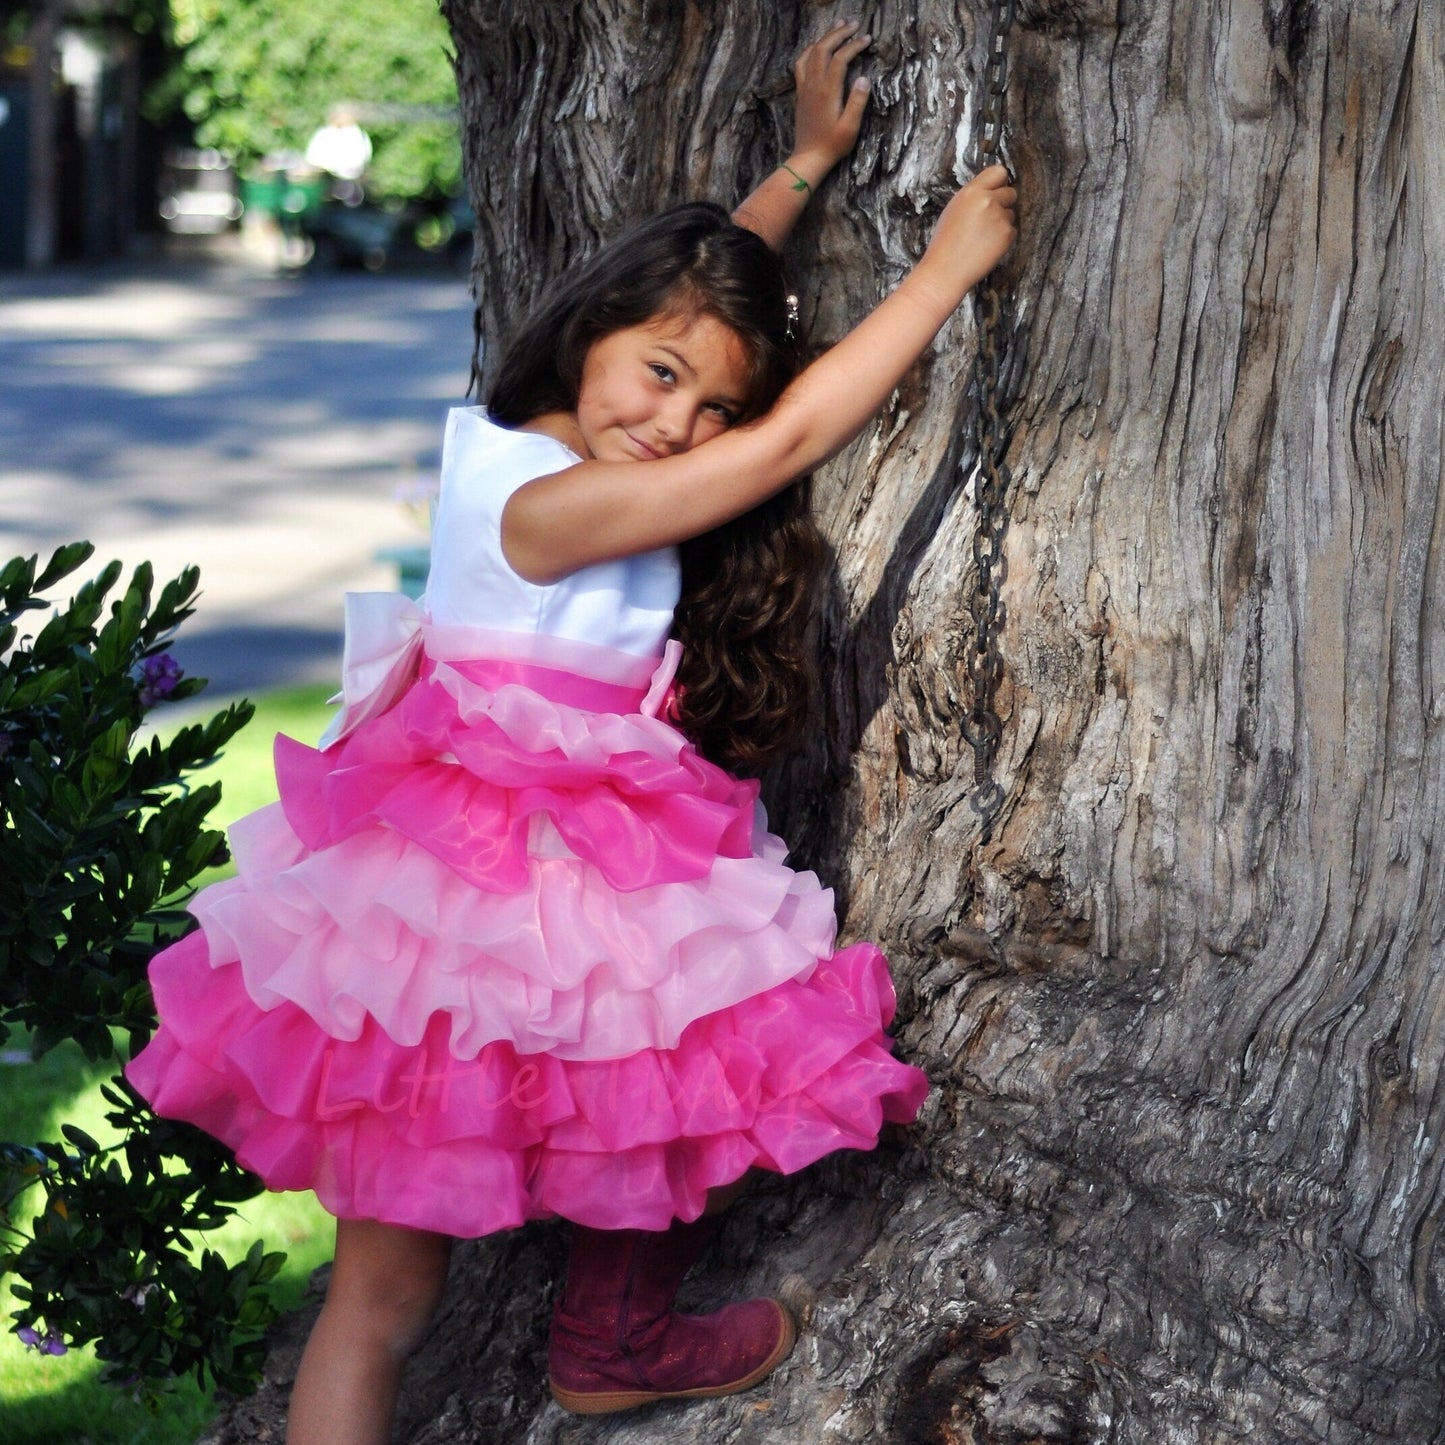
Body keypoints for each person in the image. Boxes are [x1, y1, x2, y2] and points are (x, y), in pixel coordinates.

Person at [125, 21, 1016, 1443]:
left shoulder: (530, 435)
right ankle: (608, 1328)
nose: (677, 424)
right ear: (595, 328)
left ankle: (614, 1329)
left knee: (635, 1091)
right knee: (421, 1266)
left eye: (708, 398)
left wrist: (795, 171)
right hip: (517, 876)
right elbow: (780, 447)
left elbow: (696, 307)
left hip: (518, 868)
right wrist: (940, 276)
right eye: (660, 378)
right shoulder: (549, 507)